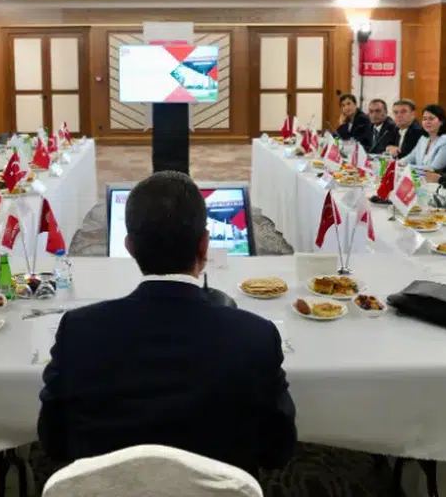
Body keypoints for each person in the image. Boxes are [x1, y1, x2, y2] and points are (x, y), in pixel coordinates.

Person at [39, 171, 297, 475]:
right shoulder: (256, 336)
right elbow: (277, 451)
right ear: (204, 246)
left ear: (129, 247)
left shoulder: (78, 331)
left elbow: (54, 443)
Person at [399, 104, 446, 171]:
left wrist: (407, 167)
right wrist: (398, 163)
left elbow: (434, 168)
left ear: (441, 122)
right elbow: (411, 157)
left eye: (431, 119)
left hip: (435, 177)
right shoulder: (424, 138)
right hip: (420, 175)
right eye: (424, 119)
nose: (427, 122)